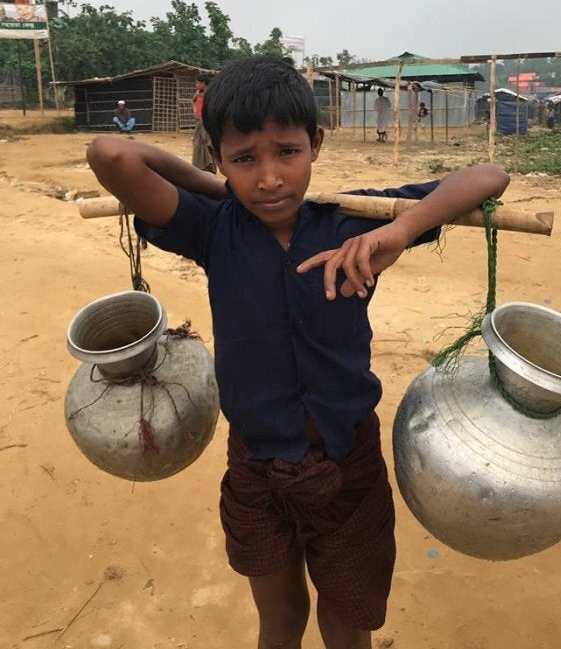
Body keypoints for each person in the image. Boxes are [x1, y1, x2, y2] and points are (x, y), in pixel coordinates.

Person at [86, 56, 509, 649]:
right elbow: (112, 156)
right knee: (280, 622)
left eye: (287, 152)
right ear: (217, 157)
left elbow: (489, 177)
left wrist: (399, 230)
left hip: (349, 467)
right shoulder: (213, 229)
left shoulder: (352, 222)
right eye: (244, 159)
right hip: (258, 471)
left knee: (347, 625)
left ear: (315, 143)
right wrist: (216, 190)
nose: (269, 179)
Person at [192, 73, 217, 173]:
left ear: (203, 83)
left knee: (208, 143)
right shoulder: (198, 93)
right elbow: (193, 101)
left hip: (207, 121)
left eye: (197, 83)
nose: (196, 85)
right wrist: (195, 111)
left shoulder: (211, 93)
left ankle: (210, 165)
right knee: (198, 143)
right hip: (199, 121)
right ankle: (199, 166)